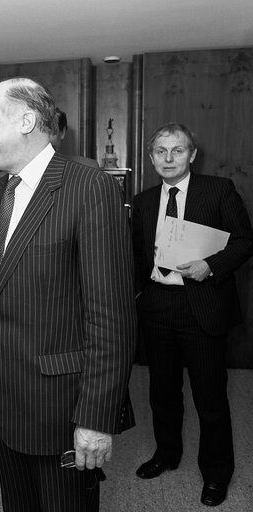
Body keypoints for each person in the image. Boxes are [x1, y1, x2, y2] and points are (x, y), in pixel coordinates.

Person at [0, 77, 136, 511]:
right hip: (4, 399)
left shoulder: (88, 186)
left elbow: (110, 316)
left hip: (60, 408)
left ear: (26, 120)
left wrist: (95, 419)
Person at [132, 122, 253, 507]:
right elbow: (137, 256)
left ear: (192, 155)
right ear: (151, 157)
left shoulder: (218, 190)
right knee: (162, 392)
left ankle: (216, 473)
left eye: (177, 151)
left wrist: (211, 266)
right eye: (161, 152)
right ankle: (168, 454)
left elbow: (245, 241)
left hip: (202, 302)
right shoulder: (144, 200)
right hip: (157, 305)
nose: (168, 159)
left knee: (210, 397)